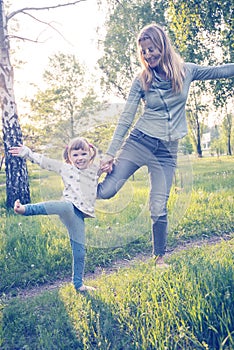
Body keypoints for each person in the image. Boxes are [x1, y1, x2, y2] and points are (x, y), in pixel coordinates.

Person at [97, 23, 234, 264]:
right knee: (107, 191)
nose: (148, 55)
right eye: (144, 51)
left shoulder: (186, 71)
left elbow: (220, 71)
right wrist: (110, 153)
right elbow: (127, 116)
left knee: (159, 204)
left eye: (151, 49)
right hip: (140, 142)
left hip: (167, 152)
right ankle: (76, 187)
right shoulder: (141, 80)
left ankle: (159, 259)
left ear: (162, 45)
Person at [9, 137, 103, 292]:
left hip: (79, 215)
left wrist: (111, 167)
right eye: (75, 155)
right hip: (67, 208)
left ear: (90, 154)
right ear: (69, 156)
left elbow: (109, 165)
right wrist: (27, 153)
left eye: (83, 154)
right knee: (65, 205)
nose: (80, 158)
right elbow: (45, 162)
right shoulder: (66, 168)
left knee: (79, 251)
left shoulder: (95, 169)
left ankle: (79, 284)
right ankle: (25, 210)